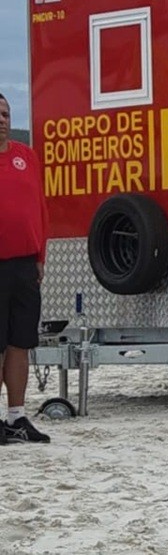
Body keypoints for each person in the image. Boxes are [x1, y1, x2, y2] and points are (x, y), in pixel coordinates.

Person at [0, 93, 52, 444]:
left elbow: (39, 209)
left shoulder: (26, 156)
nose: (2, 119)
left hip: (23, 266)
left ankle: (16, 417)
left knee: (21, 343)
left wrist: (40, 257)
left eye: (5, 113)